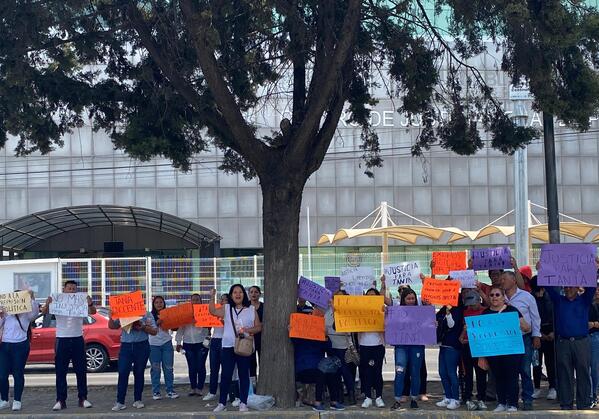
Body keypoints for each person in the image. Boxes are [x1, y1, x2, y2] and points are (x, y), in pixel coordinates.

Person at [42, 280, 96, 411]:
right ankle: (61, 400)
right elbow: (44, 312)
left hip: (77, 337)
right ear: (64, 289)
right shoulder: (58, 300)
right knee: (61, 371)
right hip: (62, 338)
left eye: (73, 289)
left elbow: (93, 312)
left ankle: (83, 398)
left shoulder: (80, 300)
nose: (71, 291)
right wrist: (48, 302)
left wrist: (90, 302)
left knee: (81, 370)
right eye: (69, 288)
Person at [545, 276, 596, 410]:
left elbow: (591, 286)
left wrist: (592, 269)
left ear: (577, 287)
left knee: (583, 373)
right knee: (564, 373)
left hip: (581, 342)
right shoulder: (559, 301)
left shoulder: (585, 300)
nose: (567, 289)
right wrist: (542, 269)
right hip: (563, 342)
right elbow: (549, 288)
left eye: (570, 286)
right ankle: (566, 404)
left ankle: (584, 404)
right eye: (565, 287)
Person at [209, 284, 262, 413]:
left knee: (244, 375)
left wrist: (247, 330)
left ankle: (243, 403)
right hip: (228, 346)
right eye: (234, 292)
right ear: (231, 295)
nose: (238, 295)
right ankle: (222, 403)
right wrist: (212, 297)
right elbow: (213, 311)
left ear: (244, 294)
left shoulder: (251, 309)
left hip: (244, 346)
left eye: (240, 292)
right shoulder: (227, 308)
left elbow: (259, 327)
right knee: (226, 375)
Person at [481, 286, 529, 412]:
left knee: (512, 377)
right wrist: (482, 356)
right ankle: (501, 402)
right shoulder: (485, 313)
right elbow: (481, 337)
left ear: (503, 297)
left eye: (497, 295)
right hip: (494, 352)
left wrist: (520, 324)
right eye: (491, 295)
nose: (494, 297)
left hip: (512, 351)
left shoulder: (512, 311)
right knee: (498, 377)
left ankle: (513, 404)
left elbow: (527, 328)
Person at [502, 269, 540, 411]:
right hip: (506, 340)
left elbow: (535, 317)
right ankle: (511, 400)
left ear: (513, 280)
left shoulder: (526, 296)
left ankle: (527, 399)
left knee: (525, 370)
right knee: (509, 371)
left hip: (524, 338)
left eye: (504, 279)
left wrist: (536, 336)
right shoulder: (499, 297)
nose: (502, 281)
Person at [109, 308, 158, 410]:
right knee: (123, 372)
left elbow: (154, 331)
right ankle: (120, 401)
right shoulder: (123, 313)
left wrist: (143, 327)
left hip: (142, 345)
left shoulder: (146, 314)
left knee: (139, 373)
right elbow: (112, 326)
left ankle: (138, 399)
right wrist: (111, 317)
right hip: (126, 346)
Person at [0, 290, 38, 411]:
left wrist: (31, 298)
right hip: (5, 344)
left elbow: (35, 312)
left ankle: (17, 400)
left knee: (18, 373)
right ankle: (4, 400)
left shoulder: (27, 314)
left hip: (20, 345)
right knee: (2, 375)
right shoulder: (7, 314)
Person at [292, 326, 345, 411]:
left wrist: (326, 337)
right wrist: (291, 331)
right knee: (321, 373)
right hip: (304, 369)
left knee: (332, 371)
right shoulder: (300, 337)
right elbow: (294, 340)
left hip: (318, 367)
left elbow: (330, 352)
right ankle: (317, 402)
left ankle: (334, 401)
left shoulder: (319, 338)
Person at [389, 288, 424, 410]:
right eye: (408, 298)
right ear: (403, 299)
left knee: (415, 372)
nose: (411, 301)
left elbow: (427, 325)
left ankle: (414, 399)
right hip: (401, 346)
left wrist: (432, 324)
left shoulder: (421, 312)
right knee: (400, 372)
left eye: (413, 298)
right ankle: (397, 399)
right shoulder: (396, 312)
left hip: (416, 346)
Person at [324, 289, 357, 405]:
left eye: (341, 298)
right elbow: (324, 328)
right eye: (336, 298)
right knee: (335, 371)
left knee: (345, 371)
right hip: (331, 346)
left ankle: (351, 392)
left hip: (344, 346)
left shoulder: (348, 313)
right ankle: (339, 394)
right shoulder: (327, 313)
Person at [175, 293, 210, 397]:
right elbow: (181, 329)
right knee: (192, 367)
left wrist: (201, 321)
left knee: (200, 366)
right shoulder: (185, 314)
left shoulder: (206, 313)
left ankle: (200, 388)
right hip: (188, 344)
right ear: (190, 302)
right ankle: (193, 387)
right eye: (193, 300)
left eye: (197, 300)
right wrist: (178, 342)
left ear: (201, 301)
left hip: (202, 343)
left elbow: (209, 327)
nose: (195, 301)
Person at [458, 289, 488, 411]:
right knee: (467, 374)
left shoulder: (485, 312)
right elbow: (462, 332)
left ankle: (481, 398)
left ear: (478, 301)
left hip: (481, 347)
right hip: (467, 345)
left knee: (481, 373)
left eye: (473, 304)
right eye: (469, 305)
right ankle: (467, 397)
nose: (471, 307)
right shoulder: (465, 312)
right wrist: (463, 333)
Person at [530, 276, 557, 401]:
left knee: (551, 362)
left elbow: (557, 314)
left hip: (551, 332)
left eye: (542, 289)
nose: (539, 292)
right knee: (536, 362)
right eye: (537, 290)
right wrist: (538, 333)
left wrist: (553, 332)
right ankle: (536, 387)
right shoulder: (531, 298)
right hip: (536, 333)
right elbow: (530, 317)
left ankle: (553, 387)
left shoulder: (552, 297)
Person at [358, 288, 385, 409]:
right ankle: (368, 397)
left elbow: (387, 327)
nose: (370, 297)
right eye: (368, 295)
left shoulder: (383, 309)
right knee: (366, 372)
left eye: (373, 295)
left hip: (378, 346)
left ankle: (379, 397)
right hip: (364, 346)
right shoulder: (360, 310)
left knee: (377, 372)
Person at [435, 300, 464, 410]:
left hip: (452, 345)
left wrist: (448, 314)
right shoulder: (443, 308)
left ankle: (455, 399)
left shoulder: (457, 309)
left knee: (451, 373)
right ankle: (448, 396)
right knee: (442, 372)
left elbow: (452, 325)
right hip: (443, 344)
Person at [149, 296, 179, 400]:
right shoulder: (150, 315)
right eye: (156, 302)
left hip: (166, 343)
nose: (159, 304)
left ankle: (170, 390)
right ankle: (156, 392)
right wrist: (157, 323)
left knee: (168, 368)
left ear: (164, 303)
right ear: (153, 304)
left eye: (161, 302)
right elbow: (147, 328)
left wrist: (174, 321)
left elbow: (175, 327)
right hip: (153, 344)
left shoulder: (167, 313)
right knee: (155, 369)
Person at [203, 293, 228, 401]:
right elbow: (208, 324)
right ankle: (212, 391)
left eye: (225, 300)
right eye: (221, 300)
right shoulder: (215, 311)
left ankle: (225, 392)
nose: (222, 301)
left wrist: (224, 321)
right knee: (214, 368)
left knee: (226, 369)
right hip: (215, 340)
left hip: (226, 341)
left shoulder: (230, 312)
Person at [248, 285, 264, 386]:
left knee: (263, 360)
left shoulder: (264, 306)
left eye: (256, 292)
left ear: (259, 294)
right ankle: (253, 384)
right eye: (251, 292)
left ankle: (263, 381)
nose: (254, 294)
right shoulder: (246, 307)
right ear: (249, 294)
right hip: (250, 338)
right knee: (251, 362)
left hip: (262, 338)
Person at [589, 284, 599, 407]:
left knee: (594, 368)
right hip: (586, 337)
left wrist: (594, 324)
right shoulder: (588, 304)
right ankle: (591, 394)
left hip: (595, 337)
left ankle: (593, 394)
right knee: (589, 368)